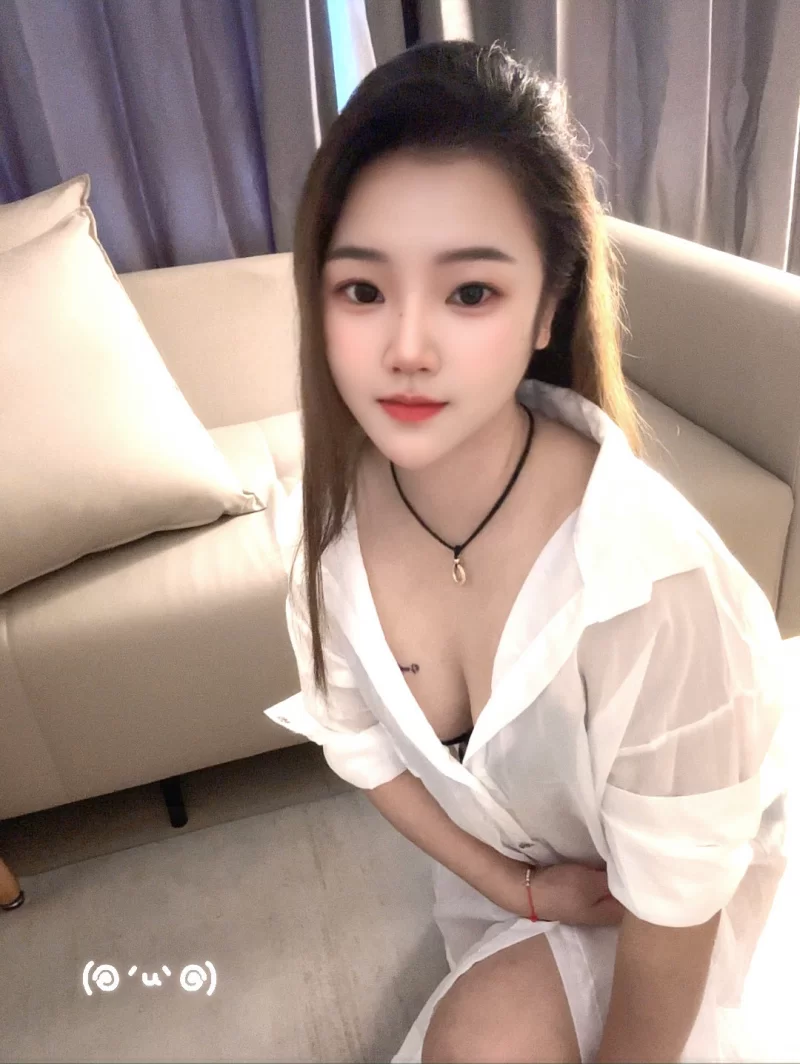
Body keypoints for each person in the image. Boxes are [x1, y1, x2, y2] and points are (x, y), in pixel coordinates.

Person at [265, 39, 790, 1063]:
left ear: (549, 305)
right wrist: (513, 886)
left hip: (682, 913)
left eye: (469, 293)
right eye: (362, 290)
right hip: (522, 888)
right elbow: (361, 742)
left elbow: (672, 912)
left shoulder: (647, 585)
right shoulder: (324, 533)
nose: (405, 347)